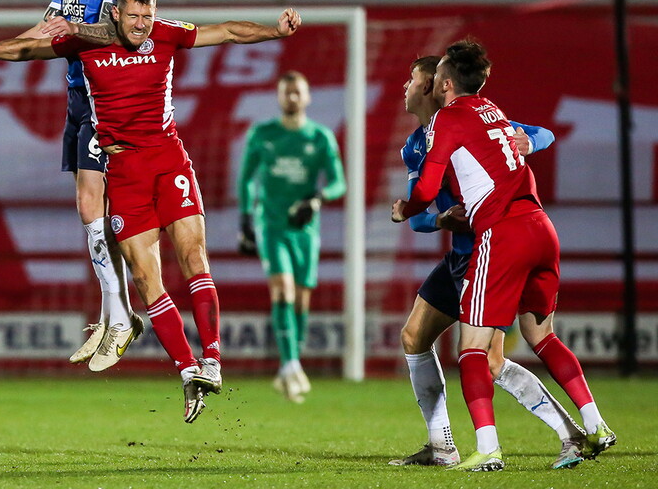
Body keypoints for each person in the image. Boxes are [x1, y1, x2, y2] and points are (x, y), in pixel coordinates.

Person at [0, 0, 302, 423]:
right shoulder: (83, 43)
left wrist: (276, 31)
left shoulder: (166, 34)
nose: (142, 25)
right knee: (144, 275)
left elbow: (228, 32)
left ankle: (212, 358)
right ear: (116, 14)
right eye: (134, 16)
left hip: (168, 159)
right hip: (125, 171)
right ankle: (188, 370)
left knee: (194, 255)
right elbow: (28, 49)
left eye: (147, 16)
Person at [392, 41, 616, 471]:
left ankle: (554, 435)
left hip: (493, 244)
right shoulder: (415, 145)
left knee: (485, 356)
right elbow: (420, 218)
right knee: (414, 336)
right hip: (473, 249)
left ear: (435, 86)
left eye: (413, 79)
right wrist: (439, 220)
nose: (406, 86)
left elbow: (543, 133)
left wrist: (528, 141)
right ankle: (441, 445)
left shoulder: (464, 117)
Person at [15, 0, 142, 371]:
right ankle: (114, 312)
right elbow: (47, 28)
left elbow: (121, 33)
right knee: (93, 215)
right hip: (77, 98)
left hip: (105, 101)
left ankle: (122, 316)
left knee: (97, 209)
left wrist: (72, 27)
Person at [236, 71, 346, 403]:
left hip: (305, 229)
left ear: (308, 97)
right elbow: (246, 179)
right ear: (279, 97)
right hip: (271, 223)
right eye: (287, 92)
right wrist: (245, 219)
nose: (292, 98)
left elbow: (339, 182)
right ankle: (290, 365)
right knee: (282, 290)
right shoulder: (262, 134)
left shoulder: (321, 137)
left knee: (300, 299)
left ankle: (290, 365)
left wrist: (316, 199)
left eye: (298, 92)